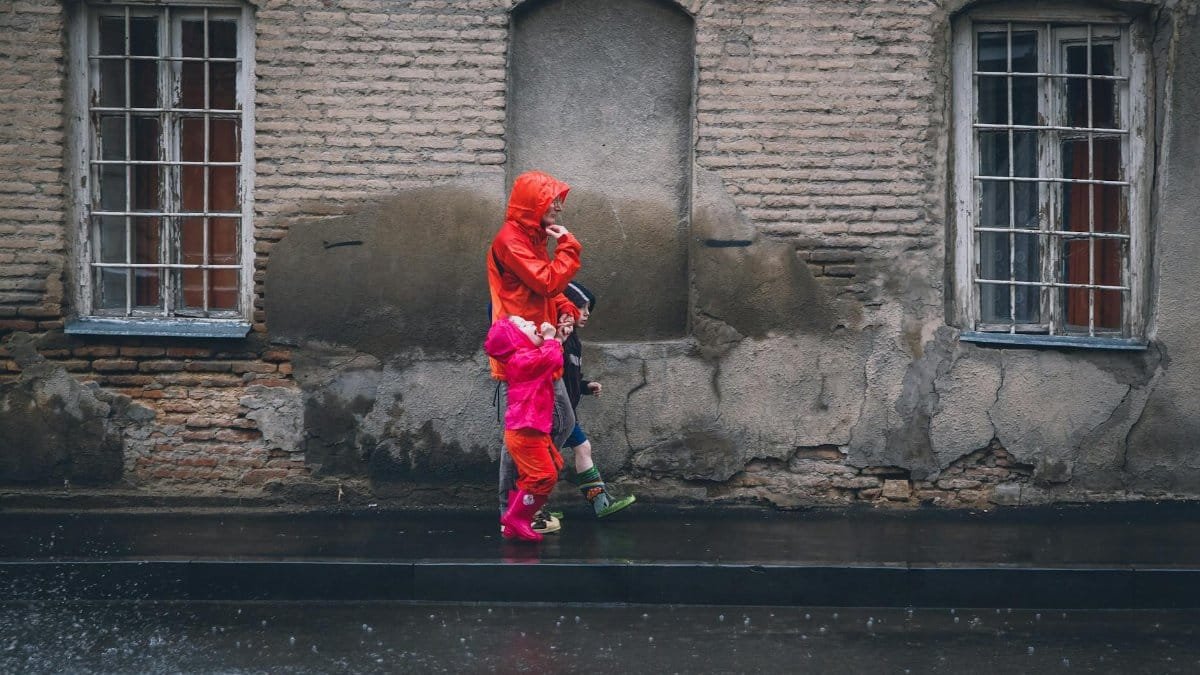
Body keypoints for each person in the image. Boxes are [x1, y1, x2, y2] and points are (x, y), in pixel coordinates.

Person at [487, 171, 581, 535]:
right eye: (550, 199)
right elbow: (545, 279)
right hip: (521, 350)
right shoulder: (511, 240)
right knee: (532, 432)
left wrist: (565, 310)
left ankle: (523, 505)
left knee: (544, 429)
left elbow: (542, 289)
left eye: (558, 198)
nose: (558, 205)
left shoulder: (531, 237)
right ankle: (515, 509)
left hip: (539, 345)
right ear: (532, 205)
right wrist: (570, 247)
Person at [483, 315, 566, 542]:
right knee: (544, 476)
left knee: (537, 476)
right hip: (524, 431)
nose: (532, 323)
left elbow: (553, 360)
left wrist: (556, 339)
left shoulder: (527, 357)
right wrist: (550, 339)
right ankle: (517, 517)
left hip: (530, 430)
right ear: (515, 340)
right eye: (523, 325)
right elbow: (550, 359)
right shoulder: (520, 360)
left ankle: (515, 520)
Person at [559, 282, 636, 518]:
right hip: (552, 411)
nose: (587, 313)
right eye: (582, 307)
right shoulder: (557, 337)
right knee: (543, 462)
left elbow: (568, 377)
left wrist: (584, 386)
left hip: (566, 411)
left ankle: (601, 503)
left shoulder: (574, 341)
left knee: (582, 448)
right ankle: (526, 509)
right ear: (568, 308)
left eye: (588, 308)